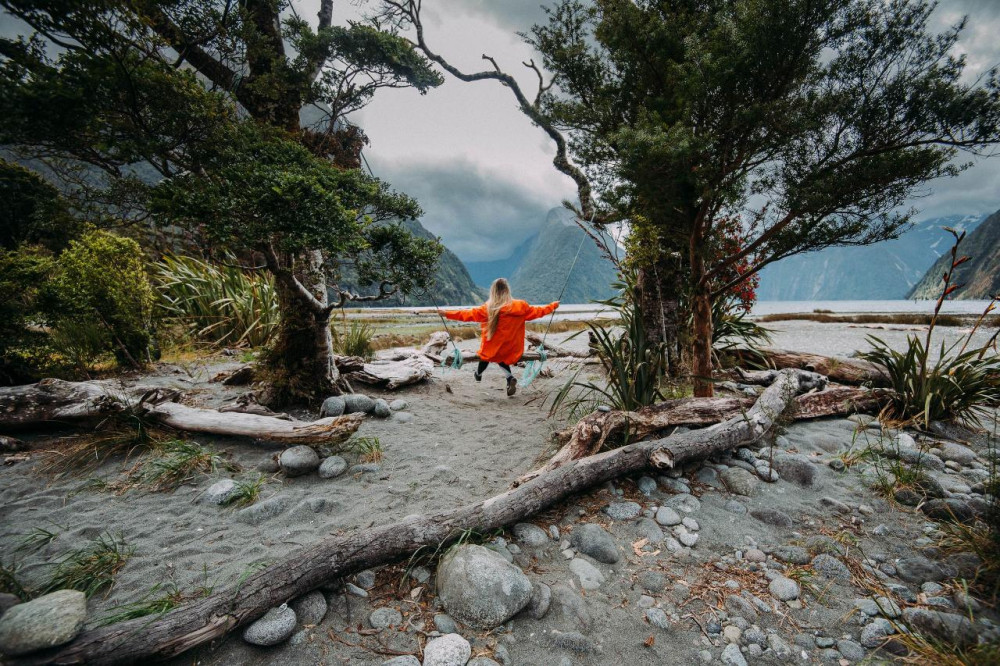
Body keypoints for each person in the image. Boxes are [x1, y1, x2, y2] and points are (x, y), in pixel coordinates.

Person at [443, 278, 559, 396]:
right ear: (507, 290)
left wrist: (446, 313)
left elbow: (466, 314)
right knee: (496, 353)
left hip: (494, 351)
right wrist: (553, 306)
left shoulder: (488, 309)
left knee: (488, 354)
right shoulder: (521, 306)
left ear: (493, 292)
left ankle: (479, 374)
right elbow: (539, 311)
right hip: (514, 350)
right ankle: (508, 378)